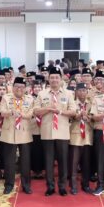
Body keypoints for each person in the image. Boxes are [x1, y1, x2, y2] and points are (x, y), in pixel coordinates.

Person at [34, 67, 76, 196]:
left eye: (57, 77)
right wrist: (49, 108)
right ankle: (50, 187)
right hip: (47, 132)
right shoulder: (42, 94)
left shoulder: (68, 94)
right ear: (48, 79)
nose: (54, 80)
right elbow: (36, 111)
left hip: (62, 132)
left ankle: (62, 186)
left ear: (61, 79)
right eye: (52, 77)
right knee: (48, 161)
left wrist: (60, 111)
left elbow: (73, 111)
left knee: (63, 161)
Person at [0, 77, 34, 195]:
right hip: (9, 132)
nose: (19, 89)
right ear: (13, 87)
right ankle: (9, 185)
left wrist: (22, 114)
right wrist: (11, 112)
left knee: (25, 161)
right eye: (17, 86)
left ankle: (26, 185)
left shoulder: (30, 99)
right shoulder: (6, 97)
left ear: (25, 88)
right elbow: (2, 112)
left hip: (24, 132)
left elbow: (31, 114)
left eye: (22, 87)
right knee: (9, 161)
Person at [69, 83, 93, 195]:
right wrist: (77, 116)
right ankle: (73, 186)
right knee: (73, 163)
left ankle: (86, 185)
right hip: (75, 136)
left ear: (87, 92)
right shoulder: (72, 103)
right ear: (76, 92)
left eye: (84, 90)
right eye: (80, 90)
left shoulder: (91, 104)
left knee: (86, 163)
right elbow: (69, 118)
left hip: (88, 136)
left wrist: (88, 118)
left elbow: (95, 118)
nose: (82, 92)